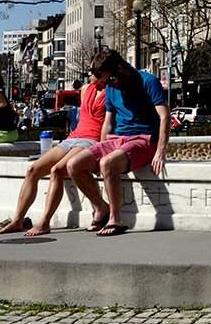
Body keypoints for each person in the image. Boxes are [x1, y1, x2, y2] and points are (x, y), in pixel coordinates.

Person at [66, 48, 169, 236]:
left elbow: (164, 116)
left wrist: (160, 151)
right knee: (74, 165)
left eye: (110, 78)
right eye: (105, 80)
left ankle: (116, 219)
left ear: (121, 68)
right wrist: (100, 147)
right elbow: (108, 122)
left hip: (143, 139)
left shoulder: (148, 81)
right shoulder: (111, 88)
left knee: (107, 163)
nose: (109, 84)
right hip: (117, 139)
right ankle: (101, 208)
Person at [0, 71, 107, 236]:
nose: (89, 74)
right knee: (33, 170)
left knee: (57, 170)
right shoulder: (86, 89)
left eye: (94, 72)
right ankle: (18, 220)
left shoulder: (113, 92)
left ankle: (44, 222)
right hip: (74, 137)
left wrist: (103, 148)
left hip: (91, 139)